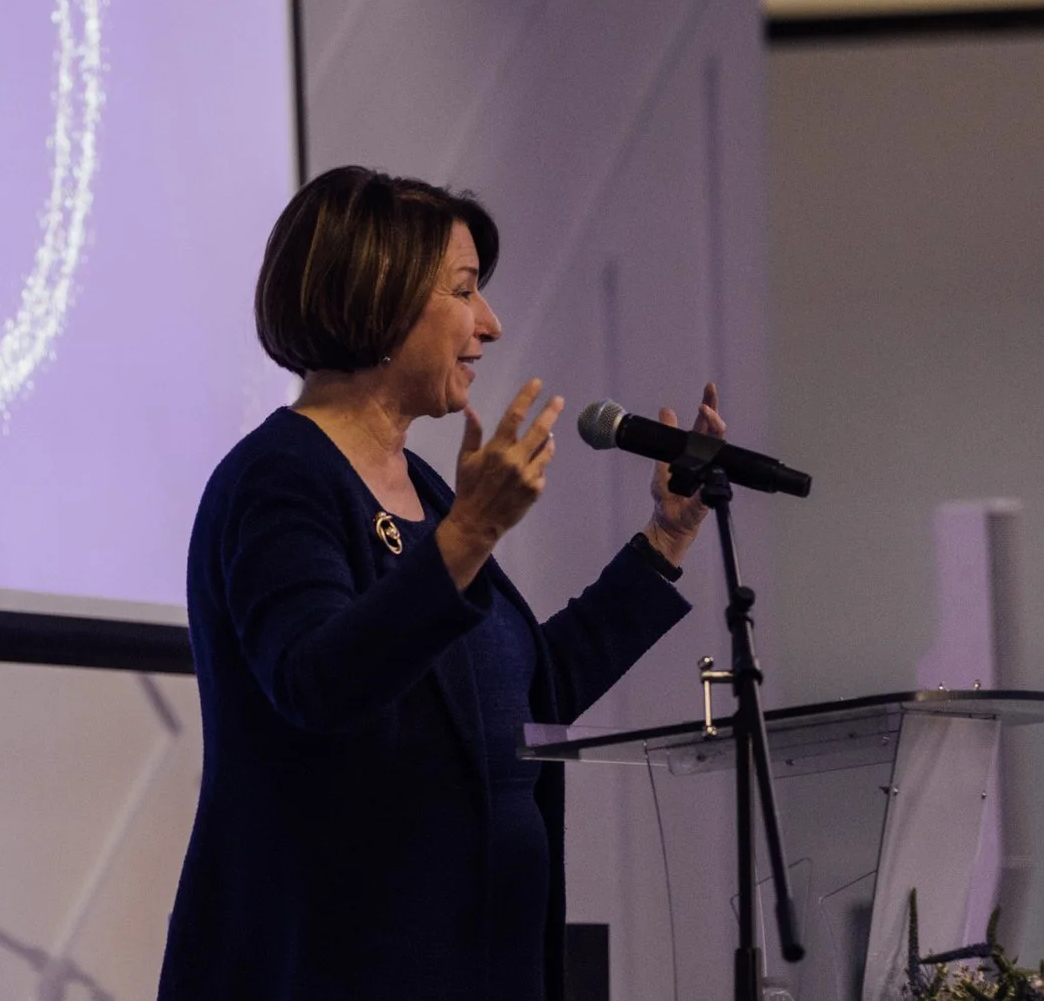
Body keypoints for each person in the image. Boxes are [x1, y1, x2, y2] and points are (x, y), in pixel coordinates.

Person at [158, 164, 723, 1001]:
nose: (490, 324)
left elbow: (527, 691)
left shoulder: (422, 488)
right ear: (378, 297)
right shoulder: (280, 479)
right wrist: (470, 532)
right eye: (465, 291)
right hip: (329, 968)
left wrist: (663, 541)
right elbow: (316, 681)